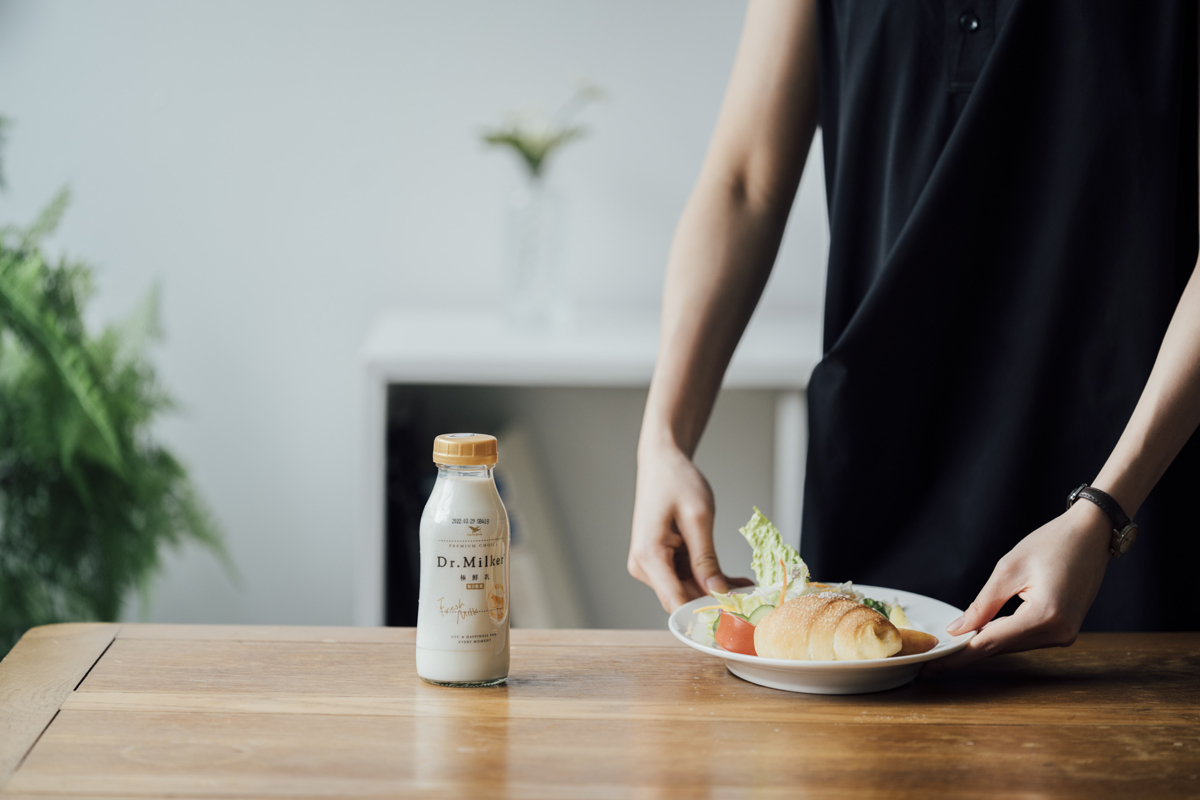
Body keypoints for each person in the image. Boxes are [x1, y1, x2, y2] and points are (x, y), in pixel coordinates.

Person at [628, 0, 1200, 668]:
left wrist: (1107, 509)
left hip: (1128, 485)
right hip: (878, 475)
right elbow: (745, 180)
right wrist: (663, 440)